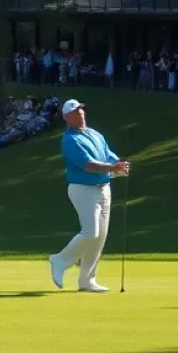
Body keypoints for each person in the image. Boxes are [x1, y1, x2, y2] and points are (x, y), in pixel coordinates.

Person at [48, 99, 129, 293]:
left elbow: (107, 155)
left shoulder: (94, 134)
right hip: (82, 188)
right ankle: (60, 260)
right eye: (75, 112)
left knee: (100, 236)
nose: (81, 113)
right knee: (91, 232)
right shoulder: (70, 140)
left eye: (81, 109)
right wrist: (113, 168)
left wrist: (120, 163)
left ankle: (87, 280)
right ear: (67, 118)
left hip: (103, 188)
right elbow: (89, 165)